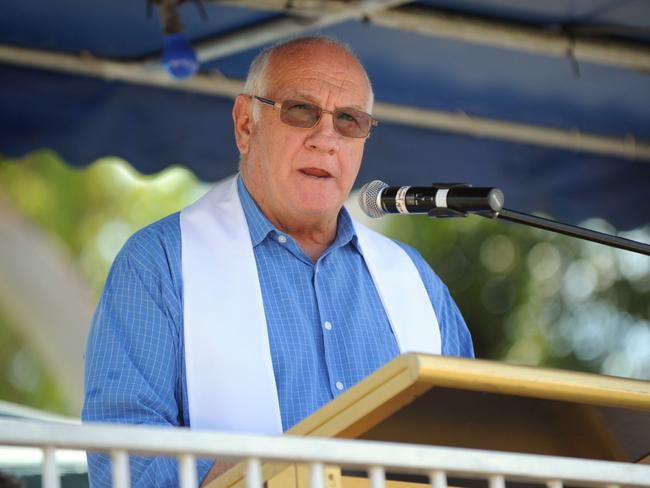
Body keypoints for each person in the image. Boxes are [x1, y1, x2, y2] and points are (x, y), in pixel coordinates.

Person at [82, 36, 474, 487]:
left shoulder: (415, 283)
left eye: (349, 120)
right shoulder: (161, 264)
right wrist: (251, 477)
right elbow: (123, 454)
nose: (325, 139)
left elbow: (474, 442)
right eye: (300, 110)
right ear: (245, 124)